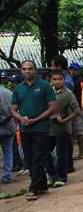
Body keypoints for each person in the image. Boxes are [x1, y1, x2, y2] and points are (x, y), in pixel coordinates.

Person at [11, 60, 57, 200]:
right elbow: (13, 109)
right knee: (29, 159)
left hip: (41, 128)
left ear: (35, 70)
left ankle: (33, 189)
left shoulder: (44, 86)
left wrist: (37, 119)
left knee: (38, 157)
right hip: (25, 129)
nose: (27, 71)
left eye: (30, 68)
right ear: (21, 71)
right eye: (24, 69)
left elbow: (53, 107)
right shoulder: (18, 88)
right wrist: (20, 118)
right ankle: (42, 185)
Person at [46, 70, 79, 187]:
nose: (57, 81)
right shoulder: (47, 92)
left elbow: (77, 111)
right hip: (47, 128)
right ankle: (51, 176)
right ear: (50, 80)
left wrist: (65, 120)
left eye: (60, 79)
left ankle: (62, 177)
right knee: (45, 153)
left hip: (62, 129)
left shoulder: (68, 93)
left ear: (64, 80)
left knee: (61, 154)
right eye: (54, 79)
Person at [0, 83, 16, 183]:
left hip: (5, 124)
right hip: (9, 126)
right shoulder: (9, 93)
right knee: (8, 150)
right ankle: (7, 175)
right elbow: (15, 110)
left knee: (8, 150)